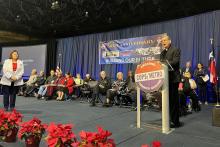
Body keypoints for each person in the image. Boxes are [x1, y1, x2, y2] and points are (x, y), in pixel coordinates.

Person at [160, 35, 182, 128]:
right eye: (162, 41)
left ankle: (175, 121)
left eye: (165, 40)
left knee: (173, 101)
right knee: (166, 101)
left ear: (170, 40)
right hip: (165, 79)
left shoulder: (176, 49)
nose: (163, 42)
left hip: (173, 79)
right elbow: (160, 64)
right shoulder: (162, 53)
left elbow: (175, 62)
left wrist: (164, 63)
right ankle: (168, 119)